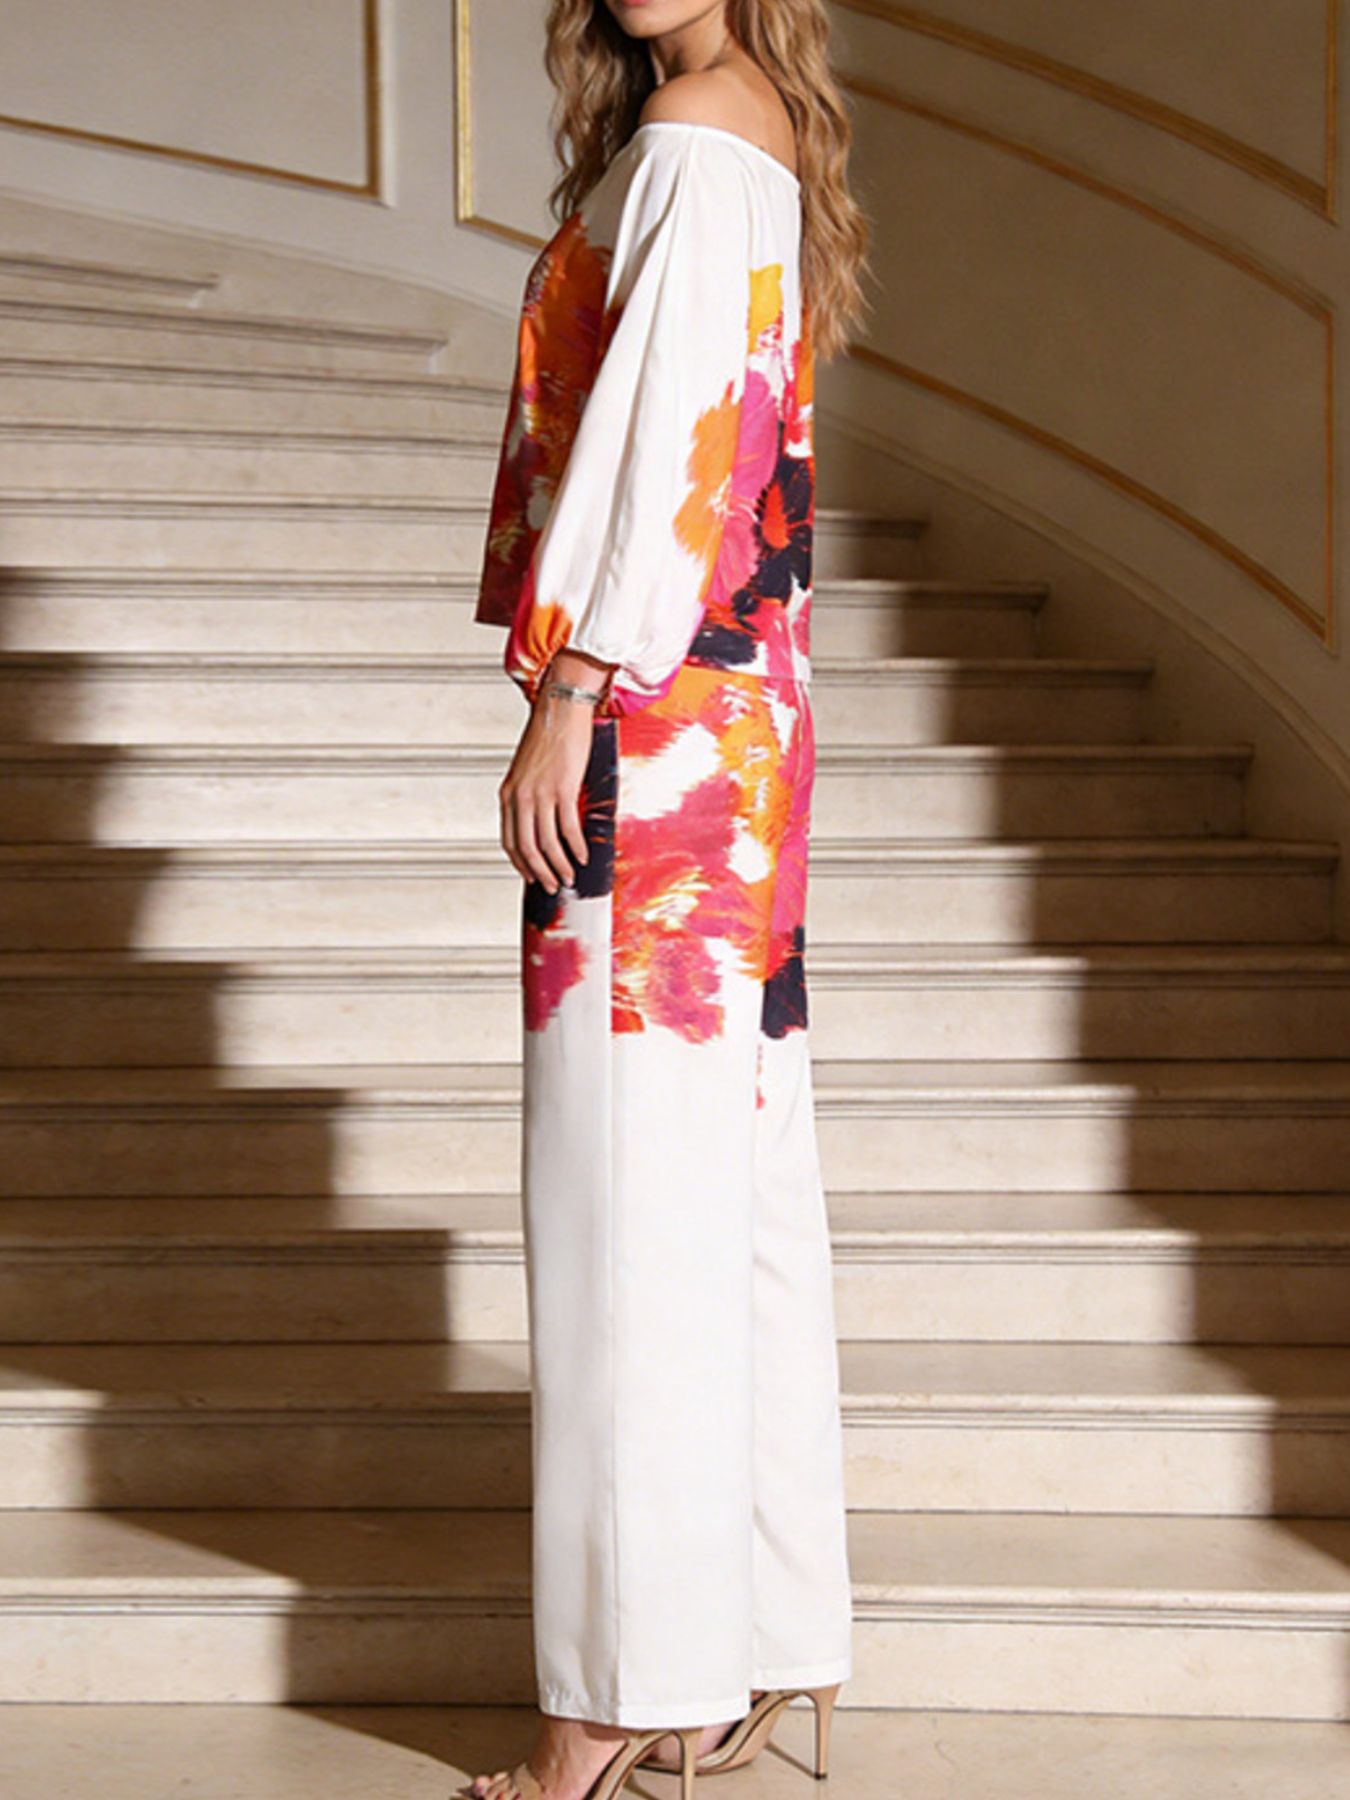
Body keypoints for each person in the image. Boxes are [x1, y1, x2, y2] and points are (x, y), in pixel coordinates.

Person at [467, 3, 870, 1796]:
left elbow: (674, 437)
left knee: (625, 1210)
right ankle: (756, 1648)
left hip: (657, 722)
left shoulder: (703, 132)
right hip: (741, 724)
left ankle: (601, 1717)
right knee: (732, 1189)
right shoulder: (752, 115)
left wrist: (575, 689)